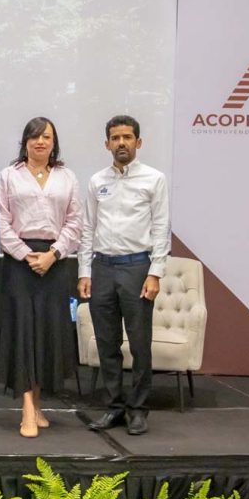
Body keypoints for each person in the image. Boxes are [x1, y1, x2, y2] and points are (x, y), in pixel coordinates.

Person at [78, 115, 170, 436]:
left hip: (136, 268)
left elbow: (161, 228)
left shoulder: (154, 179)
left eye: (127, 137)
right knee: (107, 343)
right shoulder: (96, 181)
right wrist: (84, 271)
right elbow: (87, 228)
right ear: (106, 144)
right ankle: (115, 406)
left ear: (138, 143)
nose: (121, 143)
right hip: (102, 268)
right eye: (115, 138)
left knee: (140, 343)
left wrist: (155, 272)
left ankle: (139, 409)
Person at [0, 116, 82, 438]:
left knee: (48, 333)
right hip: (20, 263)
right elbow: (0, 222)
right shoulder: (8, 176)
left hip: (55, 263)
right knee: (24, 333)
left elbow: (75, 222)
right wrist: (23, 254)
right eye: (34, 136)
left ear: (54, 141)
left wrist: (54, 254)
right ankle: (27, 410)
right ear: (25, 141)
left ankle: (39, 404)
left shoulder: (67, 177)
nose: (40, 142)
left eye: (46, 136)